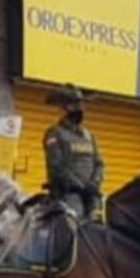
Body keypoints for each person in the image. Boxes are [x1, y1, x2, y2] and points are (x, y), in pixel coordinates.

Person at [43, 84, 103, 219]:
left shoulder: (89, 136)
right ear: (62, 109)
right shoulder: (55, 134)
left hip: (91, 197)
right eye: (74, 106)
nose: (79, 109)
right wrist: (81, 187)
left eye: (81, 105)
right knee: (74, 230)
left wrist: (94, 184)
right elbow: (57, 167)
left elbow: (99, 164)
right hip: (68, 196)